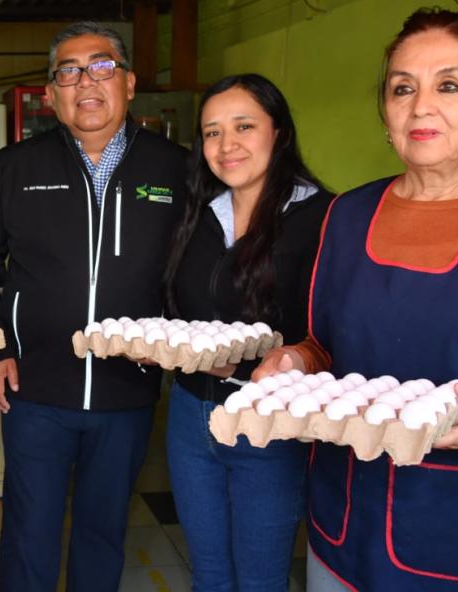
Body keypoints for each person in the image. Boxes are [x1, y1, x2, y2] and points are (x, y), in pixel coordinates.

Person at [254, 9, 458, 591]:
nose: (421, 107)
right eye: (402, 88)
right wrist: (292, 361)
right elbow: (324, 346)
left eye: (449, 85)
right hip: (344, 514)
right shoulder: (348, 214)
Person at [0, 21, 189, 591]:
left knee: (103, 531)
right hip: (34, 391)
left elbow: (196, 270)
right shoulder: (18, 166)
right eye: (69, 71)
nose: (86, 81)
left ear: (130, 83)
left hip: (127, 392)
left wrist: (177, 342)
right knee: (29, 535)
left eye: (102, 66)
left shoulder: (175, 168)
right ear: (52, 95)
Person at [162, 73, 332, 591]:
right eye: (212, 132)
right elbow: (182, 305)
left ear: (278, 133)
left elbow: (332, 331)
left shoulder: (321, 216)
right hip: (192, 417)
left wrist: (263, 362)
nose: (226, 145)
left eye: (243, 126)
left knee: (261, 578)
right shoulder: (200, 213)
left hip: (270, 425)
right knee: (210, 573)